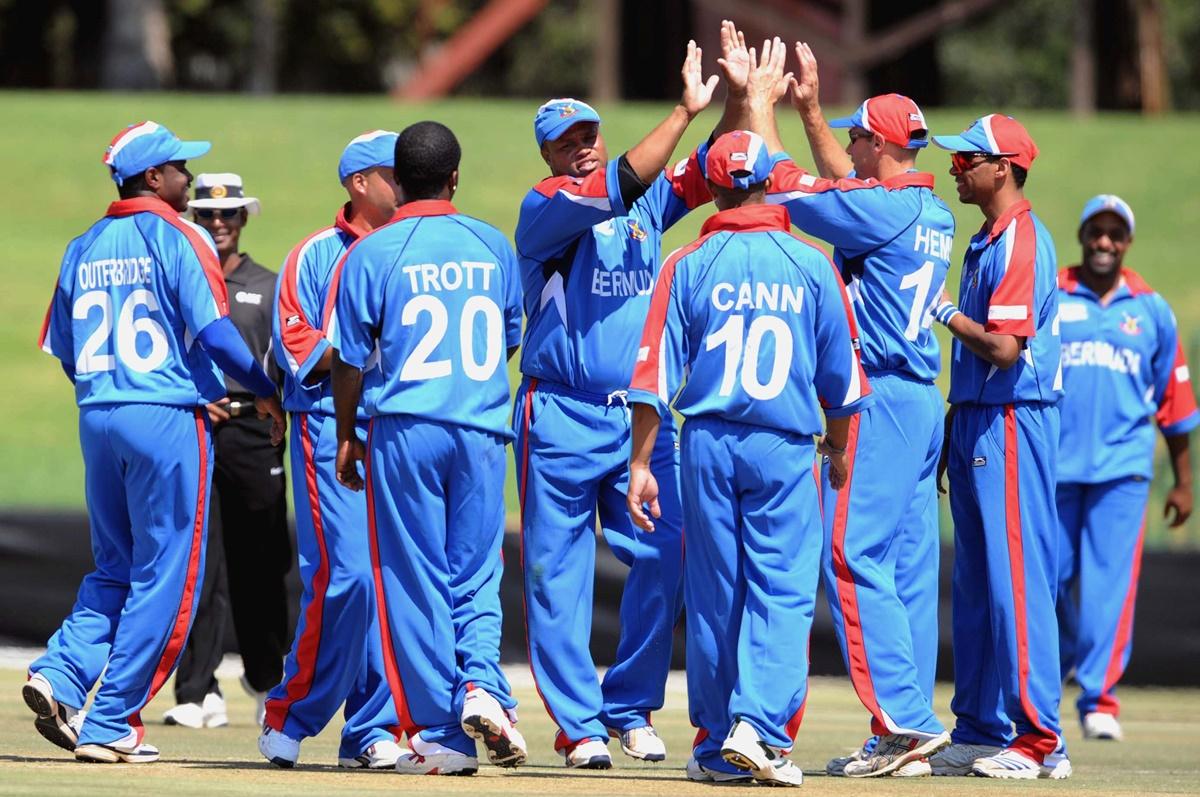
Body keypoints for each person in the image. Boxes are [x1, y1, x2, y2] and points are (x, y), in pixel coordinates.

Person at [25, 120, 284, 764]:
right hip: (164, 414)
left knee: (115, 565)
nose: (188, 179)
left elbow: (64, 349)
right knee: (169, 576)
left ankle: (60, 674)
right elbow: (220, 335)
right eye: (179, 168)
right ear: (151, 178)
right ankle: (110, 719)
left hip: (98, 414)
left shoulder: (82, 244)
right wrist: (263, 387)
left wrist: (108, 387)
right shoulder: (182, 235)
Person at [732, 32, 954, 777]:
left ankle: (904, 722)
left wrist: (764, 108)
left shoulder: (878, 211)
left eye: (859, 137)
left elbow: (787, 184)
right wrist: (817, 111)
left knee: (853, 555)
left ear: (881, 147)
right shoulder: (924, 209)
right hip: (924, 398)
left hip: (884, 395)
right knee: (906, 568)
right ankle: (910, 721)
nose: (850, 146)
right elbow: (851, 187)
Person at [626, 129, 872, 787]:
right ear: (768, 181)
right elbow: (842, 385)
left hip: (706, 441)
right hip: (784, 445)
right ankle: (759, 728)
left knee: (714, 594)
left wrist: (641, 463)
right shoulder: (811, 263)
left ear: (714, 183)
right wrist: (840, 451)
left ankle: (712, 745)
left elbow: (652, 376)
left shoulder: (688, 261)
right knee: (783, 590)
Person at [512, 40, 722, 769]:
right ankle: (579, 727)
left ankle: (628, 704)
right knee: (554, 573)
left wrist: (744, 99)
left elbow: (719, 170)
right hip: (561, 411)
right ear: (547, 154)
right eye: (565, 141)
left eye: (587, 136)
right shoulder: (546, 207)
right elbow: (631, 175)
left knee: (666, 551)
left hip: (638, 415)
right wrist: (684, 110)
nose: (581, 149)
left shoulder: (643, 202)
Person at [331, 120, 526, 777]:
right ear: (454, 177)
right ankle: (481, 684)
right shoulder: (493, 244)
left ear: (397, 180)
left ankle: (440, 733)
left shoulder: (371, 253)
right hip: (480, 425)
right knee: (476, 572)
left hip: (405, 427)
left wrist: (347, 435)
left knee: (411, 581)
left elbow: (349, 360)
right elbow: (507, 335)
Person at [926, 115, 1071, 779]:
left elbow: (1005, 349)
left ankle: (1043, 742)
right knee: (979, 582)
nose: (957, 168)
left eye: (968, 159)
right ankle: (983, 727)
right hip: (980, 417)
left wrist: (944, 311)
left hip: (1013, 418)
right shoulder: (987, 237)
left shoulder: (1018, 239)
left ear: (1003, 167)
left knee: (1017, 579)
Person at [256, 131, 405, 769]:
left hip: (402, 434)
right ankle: (289, 712)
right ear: (359, 184)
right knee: (344, 578)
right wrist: (367, 366)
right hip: (326, 427)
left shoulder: (415, 246)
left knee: (387, 583)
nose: (404, 181)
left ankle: (369, 729)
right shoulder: (315, 255)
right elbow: (297, 343)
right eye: (391, 173)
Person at [1055, 194, 1198, 741]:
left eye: (1116, 233)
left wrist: (1185, 483)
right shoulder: (1054, 293)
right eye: (1097, 231)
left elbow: (1176, 404)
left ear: (1128, 242)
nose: (1105, 243)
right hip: (1056, 469)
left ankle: (1099, 699)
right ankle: (1066, 659)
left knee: (1109, 589)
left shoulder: (1150, 308)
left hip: (1122, 471)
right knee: (1049, 581)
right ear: (1083, 234)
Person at [162, 172, 291, 730]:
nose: (218, 224)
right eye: (208, 215)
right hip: (196, 427)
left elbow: (285, 359)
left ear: (243, 220)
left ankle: (266, 679)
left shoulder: (267, 283)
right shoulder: (179, 278)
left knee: (262, 560)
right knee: (200, 562)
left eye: (229, 215)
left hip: (252, 431)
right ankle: (196, 689)